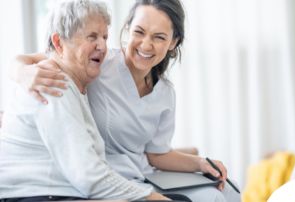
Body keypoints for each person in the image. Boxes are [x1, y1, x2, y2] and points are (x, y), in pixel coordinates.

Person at [8, 0, 242, 201]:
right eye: (139, 32)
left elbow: (156, 153)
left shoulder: (165, 93)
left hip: (143, 175)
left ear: (173, 42)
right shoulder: (97, 62)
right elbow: (52, 56)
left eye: (159, 37)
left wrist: (200, 163)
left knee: (227, 193)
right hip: (107, 179)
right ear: (128, 29)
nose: (146, 45)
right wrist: (21, 72)